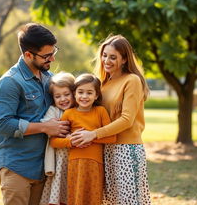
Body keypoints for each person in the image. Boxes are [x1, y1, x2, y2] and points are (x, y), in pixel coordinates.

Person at [0, 23, 70, 205]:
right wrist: (45, 127)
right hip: (17, 167)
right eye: (46, 56)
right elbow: (4, 124)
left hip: (43, 168)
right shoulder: (10, 82)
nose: (51, 59)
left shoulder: (50, 79)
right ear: (28, 55)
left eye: (53, 53)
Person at [71, 35, 151, 205]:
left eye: (113, 57)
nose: (107, 60)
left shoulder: (132, 80)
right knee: (112, 201)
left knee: (130, 202)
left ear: (124, 59)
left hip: (127, 150)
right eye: (105, 55)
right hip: (105, 149)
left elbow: (127, 120)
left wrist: (92, 134)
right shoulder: (102, 84)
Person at [50, 73, 116, 205]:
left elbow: (112, 138)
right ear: (74, 93)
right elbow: (54, 141)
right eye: (80, 92)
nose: (84, 96)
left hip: (95, 164)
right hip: (74, 164)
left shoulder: (100, 111)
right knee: (76, 198)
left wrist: (89, 136)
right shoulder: (69, 113)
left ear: (96, 95)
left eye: (89, 93)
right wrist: (71, 141)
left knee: (94, 198)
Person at [39, 72, 75, 205]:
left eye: (66, 94)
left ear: (74, 93)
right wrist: (52, 126)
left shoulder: (80, 110)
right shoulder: (54, 111)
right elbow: (45, 124)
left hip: (76, 160)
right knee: (58, 190)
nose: (63, 99)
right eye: (57, 96)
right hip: (59, 159)